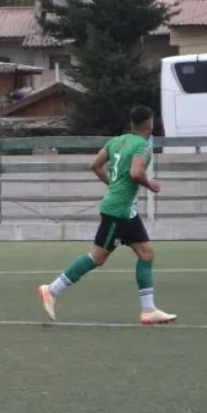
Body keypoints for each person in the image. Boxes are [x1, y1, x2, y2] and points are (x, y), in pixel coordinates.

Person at [39, 106, 176, 325]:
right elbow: (135, 172)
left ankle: (149, 310)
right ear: (149, 124)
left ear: (131, 123)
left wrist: (113, 185)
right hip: (119, 211)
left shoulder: (117, 141)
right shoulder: (143, 146)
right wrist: (151, 185)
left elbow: (95, 164)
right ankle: (52, 290)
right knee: (99, 255)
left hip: (121, 209)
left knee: (145, 253)